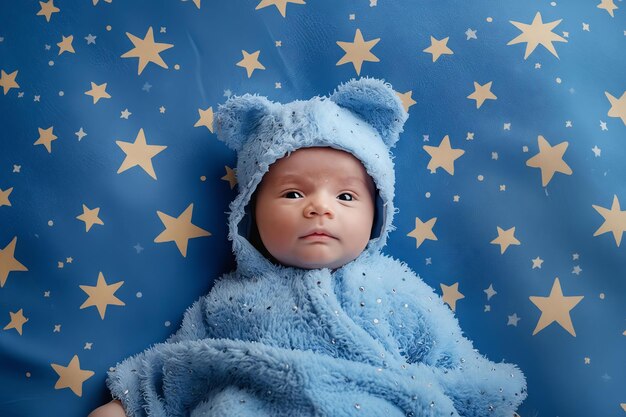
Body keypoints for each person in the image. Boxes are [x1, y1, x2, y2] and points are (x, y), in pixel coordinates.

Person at [89, 78, 527, 417]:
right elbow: (176, 367)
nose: (320, 208)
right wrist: (127, 404)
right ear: (250, 211)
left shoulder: (399, 291)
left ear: (378, 213)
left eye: (346, 197)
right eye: (293, 194)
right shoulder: (227, 301)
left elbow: (462, 369)